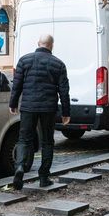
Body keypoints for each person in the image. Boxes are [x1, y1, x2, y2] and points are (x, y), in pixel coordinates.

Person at [9, 34, 70, 190]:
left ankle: (20, 167)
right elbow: (64, 91)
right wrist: (66, 112)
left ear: (38, 43)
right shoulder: (58, 64)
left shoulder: (24, 60)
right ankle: (44, 177)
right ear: (51, 45)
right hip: (48, 108)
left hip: (28, 107)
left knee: (24, 139)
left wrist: (13, 103)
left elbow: (17, 84)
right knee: (47, 141)